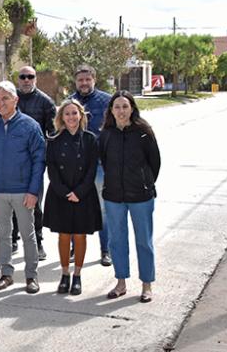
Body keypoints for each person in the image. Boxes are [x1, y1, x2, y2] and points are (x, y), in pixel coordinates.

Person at [0, 81, 46, 293]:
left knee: (28, 235)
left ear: (15, 100)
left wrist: (33, 191)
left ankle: (31, 276)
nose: (1, 103)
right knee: (3, 234)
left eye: (5, 98)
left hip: (23, 191)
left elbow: (39, 161)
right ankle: (6, 274)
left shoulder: (30, 126)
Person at [100, 91, 161, 303]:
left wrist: (145, 182)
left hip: (141, 197)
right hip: (114, 196)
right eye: (117, 107)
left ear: (132, 108)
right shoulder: (106, 134)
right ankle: (121, 282)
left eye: (125, 106)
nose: (121, 111)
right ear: (111, 110)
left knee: (144, 241)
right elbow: (104, 162)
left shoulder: (144, 132)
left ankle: (147, 284)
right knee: (116, 241)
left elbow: (155, 162)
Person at [43, 99, 102, 296]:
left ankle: (77, 275)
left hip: (83, 194)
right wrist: (64, 192)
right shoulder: (54, 140)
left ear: (81, 115)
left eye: (74, 113)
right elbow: (51, 169)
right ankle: (65, 274)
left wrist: (79, 192)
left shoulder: (90, 139)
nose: (71, 117)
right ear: (61, 117)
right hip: (61, 194)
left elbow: (92, 168)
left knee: (79, 236)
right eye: (67, 113)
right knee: (64, 235)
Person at [71, 64, 113, 266]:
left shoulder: (107, 101)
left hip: (99, 165)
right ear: (75, 81)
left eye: (88, 79)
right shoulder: (69, 102)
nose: (84, 83)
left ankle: (106, 250)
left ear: (94, 80)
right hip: (75, 165)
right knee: (75, 207)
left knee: (103, 209)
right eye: (80, 80)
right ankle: (74, 248)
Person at [12, 66, 56, 260]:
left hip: (35, 162)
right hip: (11, 160)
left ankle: (38, 242)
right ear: (18, 79)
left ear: (35, 79)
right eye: (23, 77)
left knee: (35, 203)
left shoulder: (46, 102)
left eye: (30, 77)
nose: (26, 80)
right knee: (12, 201)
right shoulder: (10, 99)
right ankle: (13, 238)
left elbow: (52, 133)